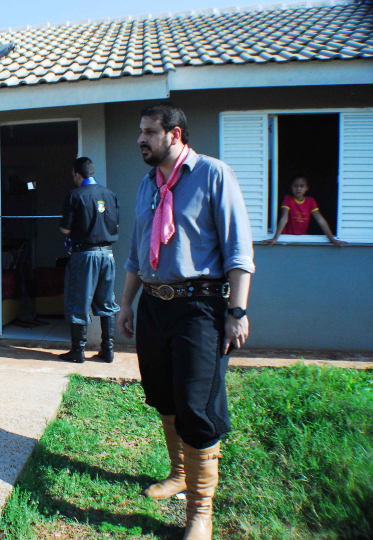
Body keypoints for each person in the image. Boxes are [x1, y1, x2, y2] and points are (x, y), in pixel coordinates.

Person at [117, 103, 255, 540]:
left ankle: (200, 511)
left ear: (174, 135)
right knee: (164, 396)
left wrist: (237, 311)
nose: (141, 139)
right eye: (141, 132)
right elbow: (138, 254)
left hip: (201, 307)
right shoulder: (147, 185)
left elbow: (239, 251)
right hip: (155, 306)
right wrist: (125, 305)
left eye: (149, 132)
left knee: (197, 405)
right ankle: (179, 473)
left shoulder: (214, 175)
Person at [58, 157, 120, 363]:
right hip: (108, 255)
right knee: (107, 302)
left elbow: (66, 229)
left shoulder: (75, 195)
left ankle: (78, 351)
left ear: (77, 174)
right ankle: (108, 350)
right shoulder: (110, 194)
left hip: (85, 256)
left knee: (78, 300)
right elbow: (115, 226)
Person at [263, 175, 346, 245]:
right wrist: (275, 238)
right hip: (287, 237)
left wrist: (331, 239)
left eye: (302, 186)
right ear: (291, 187)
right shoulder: (288, 199)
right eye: (295, 186)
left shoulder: (310, 201)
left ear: (306, 188)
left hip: (303, 237)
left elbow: (320, 220)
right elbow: (284, 218)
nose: (298, 189)